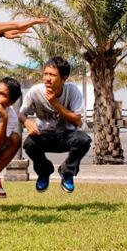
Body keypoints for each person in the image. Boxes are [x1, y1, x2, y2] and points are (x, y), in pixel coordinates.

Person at [19, 56, 91, 193]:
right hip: (45, 134)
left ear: (64, 78)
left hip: (66, 135)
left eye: (52, 75)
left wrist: (55, 103)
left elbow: (77, 121)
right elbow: (21, 113)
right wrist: (26, 121)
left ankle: (67, 172)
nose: (47, 78)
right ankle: (44, 172)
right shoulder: (36, 91)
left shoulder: (72, 91)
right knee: (29, 144)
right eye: (45, 74)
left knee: (84, 140)